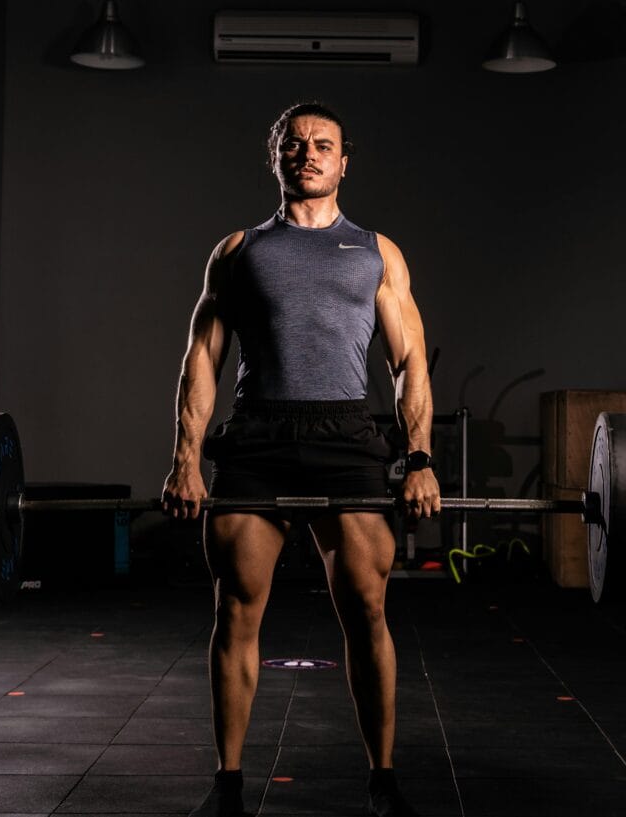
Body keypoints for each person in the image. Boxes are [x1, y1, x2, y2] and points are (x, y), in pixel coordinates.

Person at [161, 102, 440, 817]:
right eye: (295, 143)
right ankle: (227, 784)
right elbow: (202, 361)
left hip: (346, 435)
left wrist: (419, 457)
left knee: (367, 606)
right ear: (275, 157)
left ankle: (382, 778)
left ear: (345, 162)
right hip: (257, 435)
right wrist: (185, 460)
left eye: (324, 144)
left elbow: (408, 362)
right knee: (236, 609)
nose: (308, 153)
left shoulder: (378, 251)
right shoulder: (238, 251)